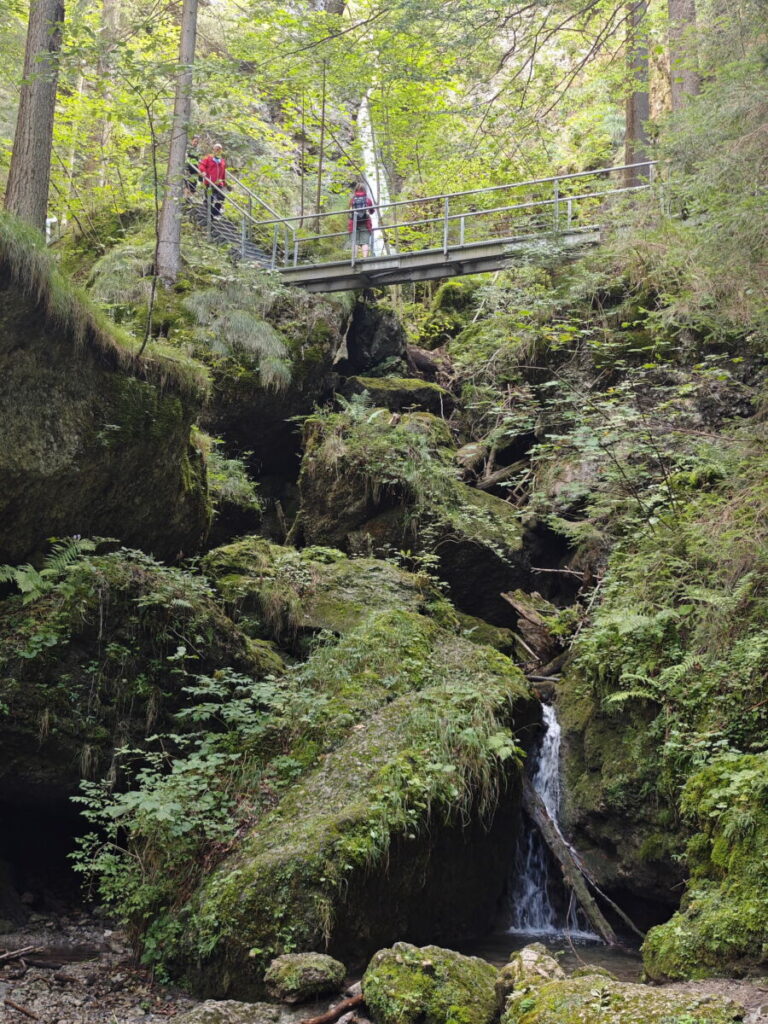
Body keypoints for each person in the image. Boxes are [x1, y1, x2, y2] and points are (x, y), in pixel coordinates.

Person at [199, 142, 228, 218]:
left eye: (219, 149)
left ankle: (215, 213)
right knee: (209, 198)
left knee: (221, 197)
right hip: (209, 181)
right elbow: (202, 165)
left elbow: (223, 172)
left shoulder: (222, 161)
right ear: (213, 149)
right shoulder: (208, 157)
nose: (217, 151)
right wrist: (203, 172)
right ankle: (209, 215)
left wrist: (224, 182)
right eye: (216, 149)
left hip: (219, 183)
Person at [348, 181, 375, 258]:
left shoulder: (352, 200)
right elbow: (372, 212)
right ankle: (365, 258)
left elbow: (349, 211)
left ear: (355, 190)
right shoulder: (367, 200)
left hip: (354, 223)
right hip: (365, 223)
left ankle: (354, 258)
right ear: (364, 190)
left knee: (355, 242)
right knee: (365, 242)